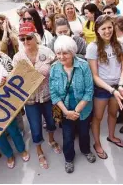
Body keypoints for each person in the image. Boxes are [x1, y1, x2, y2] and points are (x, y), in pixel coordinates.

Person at [13, 22, 61, 169]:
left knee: (52, 123)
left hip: (48, 96)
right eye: (22, 39)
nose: (26, 42)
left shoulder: (46, 51)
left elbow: (58, 69)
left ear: (36, 37)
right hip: (30, 100)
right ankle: (39, 150)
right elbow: (15, 79)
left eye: (29, 38)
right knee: (35, 127)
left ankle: (51, 140)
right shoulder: (18, 57)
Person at [85, 15, 123, 159]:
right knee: (97, 117)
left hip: (117, 86)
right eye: (103, 28)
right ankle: (97, 143)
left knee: (113, 114)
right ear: (97, 30)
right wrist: (111, 90)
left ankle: (111, 136)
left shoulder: (120, 44)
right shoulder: (92, 48)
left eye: (109, 27)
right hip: (102, 88)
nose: (107, 31)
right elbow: (95, 76)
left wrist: (121, 85)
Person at [49, 35, 96, 173]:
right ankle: (69, 158)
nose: (62, 57)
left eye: (65, 53)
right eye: (58, 53)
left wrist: (77, 110)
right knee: (67, 136)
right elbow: (54, 93)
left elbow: (89, 90)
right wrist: (66, 112)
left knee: (84, 132)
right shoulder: (54, 69)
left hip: (83, 108)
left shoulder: (83, 65)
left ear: (73, 52)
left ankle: (86, 150)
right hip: (65, 110)